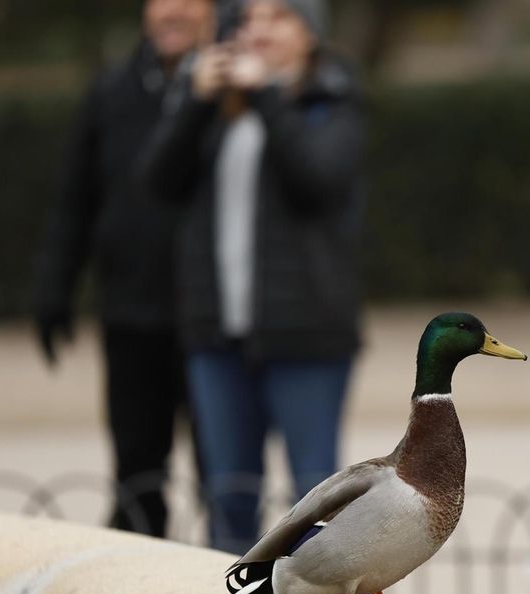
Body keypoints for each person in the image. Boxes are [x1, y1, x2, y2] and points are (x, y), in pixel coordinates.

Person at [139, 0, 365, 554]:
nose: (258, 30)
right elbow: (156, 184)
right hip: (218, 338)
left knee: (314, 497)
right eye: (247, 20)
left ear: (310, 36)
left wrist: (268, 95)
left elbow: (318, 183)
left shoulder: (333, 103)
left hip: (305, 336)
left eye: (278, 17)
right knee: (228, 497)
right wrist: (194, 104)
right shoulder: (219, 113)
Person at [33, 0, 217, 538]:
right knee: (137, 471)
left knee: (223, 473)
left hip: (211, 318)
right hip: (132, 313)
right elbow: (76, 199)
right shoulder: (110, 93)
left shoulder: (232, 92)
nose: (173, 12)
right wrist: (54, 286)